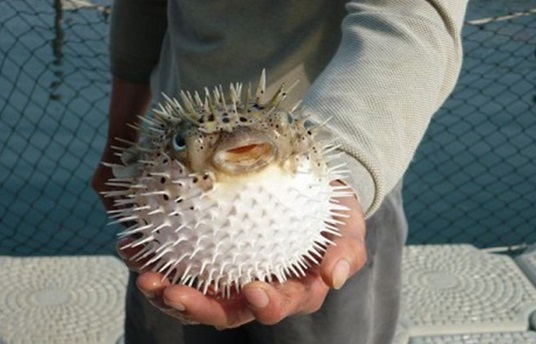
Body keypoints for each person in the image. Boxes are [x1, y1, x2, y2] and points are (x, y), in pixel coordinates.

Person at [92, 1, 467, 343]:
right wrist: (120, 138)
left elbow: (412, 15)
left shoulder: (334, 187)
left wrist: (348, 169)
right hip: (166, 198)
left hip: (332, 184)